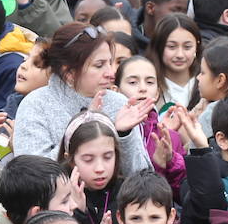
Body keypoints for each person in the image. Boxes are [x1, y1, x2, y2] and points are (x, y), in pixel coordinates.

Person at [12, 22, 151, 173]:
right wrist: (82, 127)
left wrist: (124, 134)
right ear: (69, 72)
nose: (111, 73)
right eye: (99, 65)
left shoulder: (119, 103)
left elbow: (141, 176)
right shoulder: (35, 105)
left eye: (110, 63)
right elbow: (32, 177)